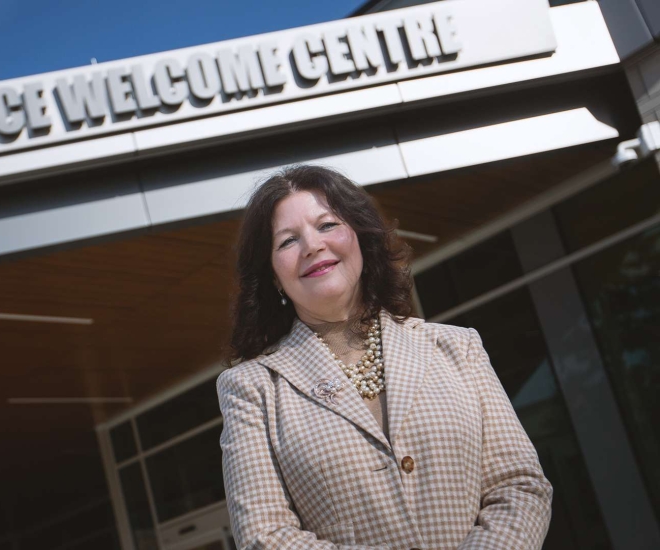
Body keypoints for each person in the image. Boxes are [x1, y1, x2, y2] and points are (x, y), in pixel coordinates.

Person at [217, 165, 552, 549]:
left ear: (359, 237)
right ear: (274, 275)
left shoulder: (458, 347)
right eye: (287, 241)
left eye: (327, 225)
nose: (312, 245)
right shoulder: (252, 387)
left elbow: (520, 485)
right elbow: (266, 537)